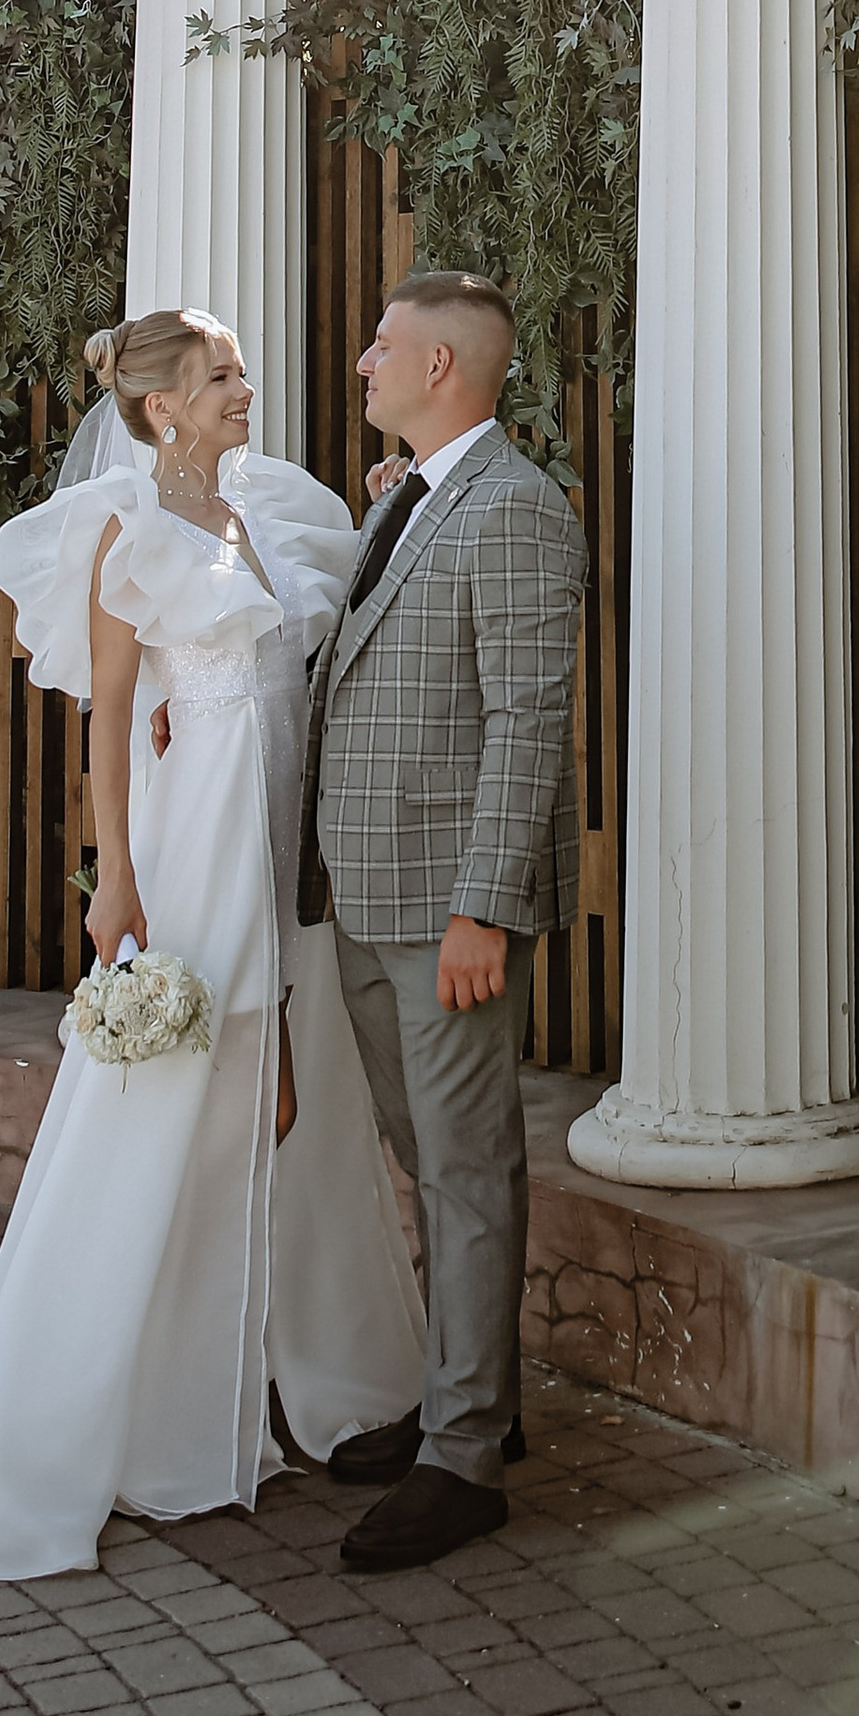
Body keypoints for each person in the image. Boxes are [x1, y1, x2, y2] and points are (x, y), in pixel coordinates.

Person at [0, 309, 427, 1580]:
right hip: (196, 848)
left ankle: (297, 1379)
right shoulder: (129, 528)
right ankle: (80, 1424)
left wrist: (390, 503)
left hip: (285, 852)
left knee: (288, 1106)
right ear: (163, 405)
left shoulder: (266, 508)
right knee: (170, 1111)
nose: (245, 387)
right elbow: (112, 715)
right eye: (222, 375)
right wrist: (116, 876)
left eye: (237, 370)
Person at [299, 268, 585, 1574]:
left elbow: (529, 724)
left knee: (467, 1169)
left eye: (381, 344)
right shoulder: (411, 501)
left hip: (444, 910)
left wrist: (485, 908)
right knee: (431, 1156)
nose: (362, 362)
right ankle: (475, 1400)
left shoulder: (518, 511)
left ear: (439, 371)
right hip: (364, 895)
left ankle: (465, 1459)